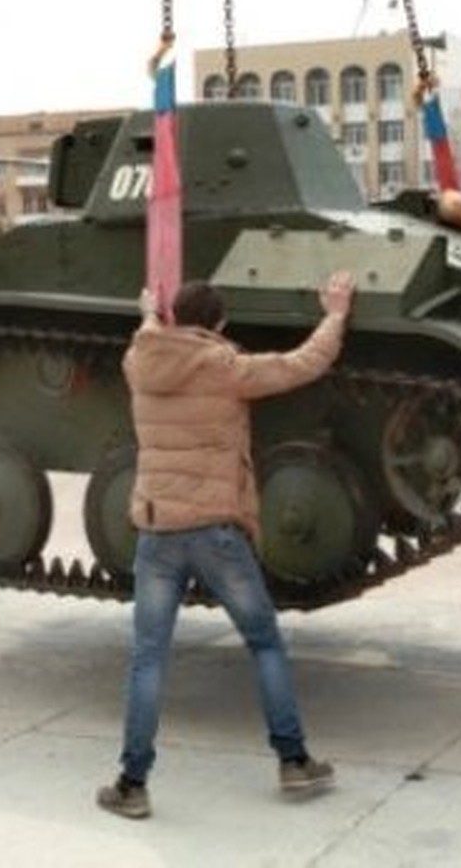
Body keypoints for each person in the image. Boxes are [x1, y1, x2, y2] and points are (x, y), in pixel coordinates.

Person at [96, 272, 356, 820]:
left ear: (173, 319)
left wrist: (147, 312)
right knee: (264, 643)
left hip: (158, 531)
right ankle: (293, 762)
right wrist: (334, 314)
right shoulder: (223, 367)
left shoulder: (139, 363)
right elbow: (300, 364)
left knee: (148, 659)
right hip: (216, 530)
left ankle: (131, 784)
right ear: (219, 325)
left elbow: (149, 339)